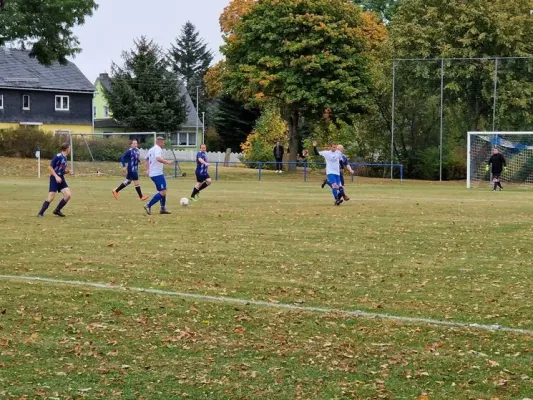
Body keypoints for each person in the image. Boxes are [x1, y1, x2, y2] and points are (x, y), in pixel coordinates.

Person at [37, 142, 72, 217]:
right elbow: (50, 167)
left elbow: (61, 170)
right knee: (51, 196)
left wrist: (67, 171)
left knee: (68, 195)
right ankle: (41, 213)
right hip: (54, 178)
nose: (70, 149)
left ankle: (57, 210)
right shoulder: (58, 156)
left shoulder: (65, 158)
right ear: (67, 149)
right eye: (70, 147)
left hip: (61, 178)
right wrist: (56, 176)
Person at [143, 136, 174, 215]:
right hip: (157, 174)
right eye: (163, 142)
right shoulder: (158, 149)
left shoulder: (151, 149)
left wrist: (147, 169)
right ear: (159, 142)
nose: (163, 143)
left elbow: (146, 159)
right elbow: (158, 158)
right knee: (163, 192)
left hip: (154, 173)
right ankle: (148, 205)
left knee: (163, 190)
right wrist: (168, 162)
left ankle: (162, 209)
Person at [313, 141, 345, 206]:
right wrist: (314, 146)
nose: (334, 148)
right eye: (333, 147)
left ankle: (327, 182)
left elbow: (341, 160)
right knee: (335, 186)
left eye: (335, 147)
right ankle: (337, 200)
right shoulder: (326, 153)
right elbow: (316, 153)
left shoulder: (338, 153)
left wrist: (342, 168)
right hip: (330, 172)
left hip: (337, 173)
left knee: (339, 188)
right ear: (330, 147)